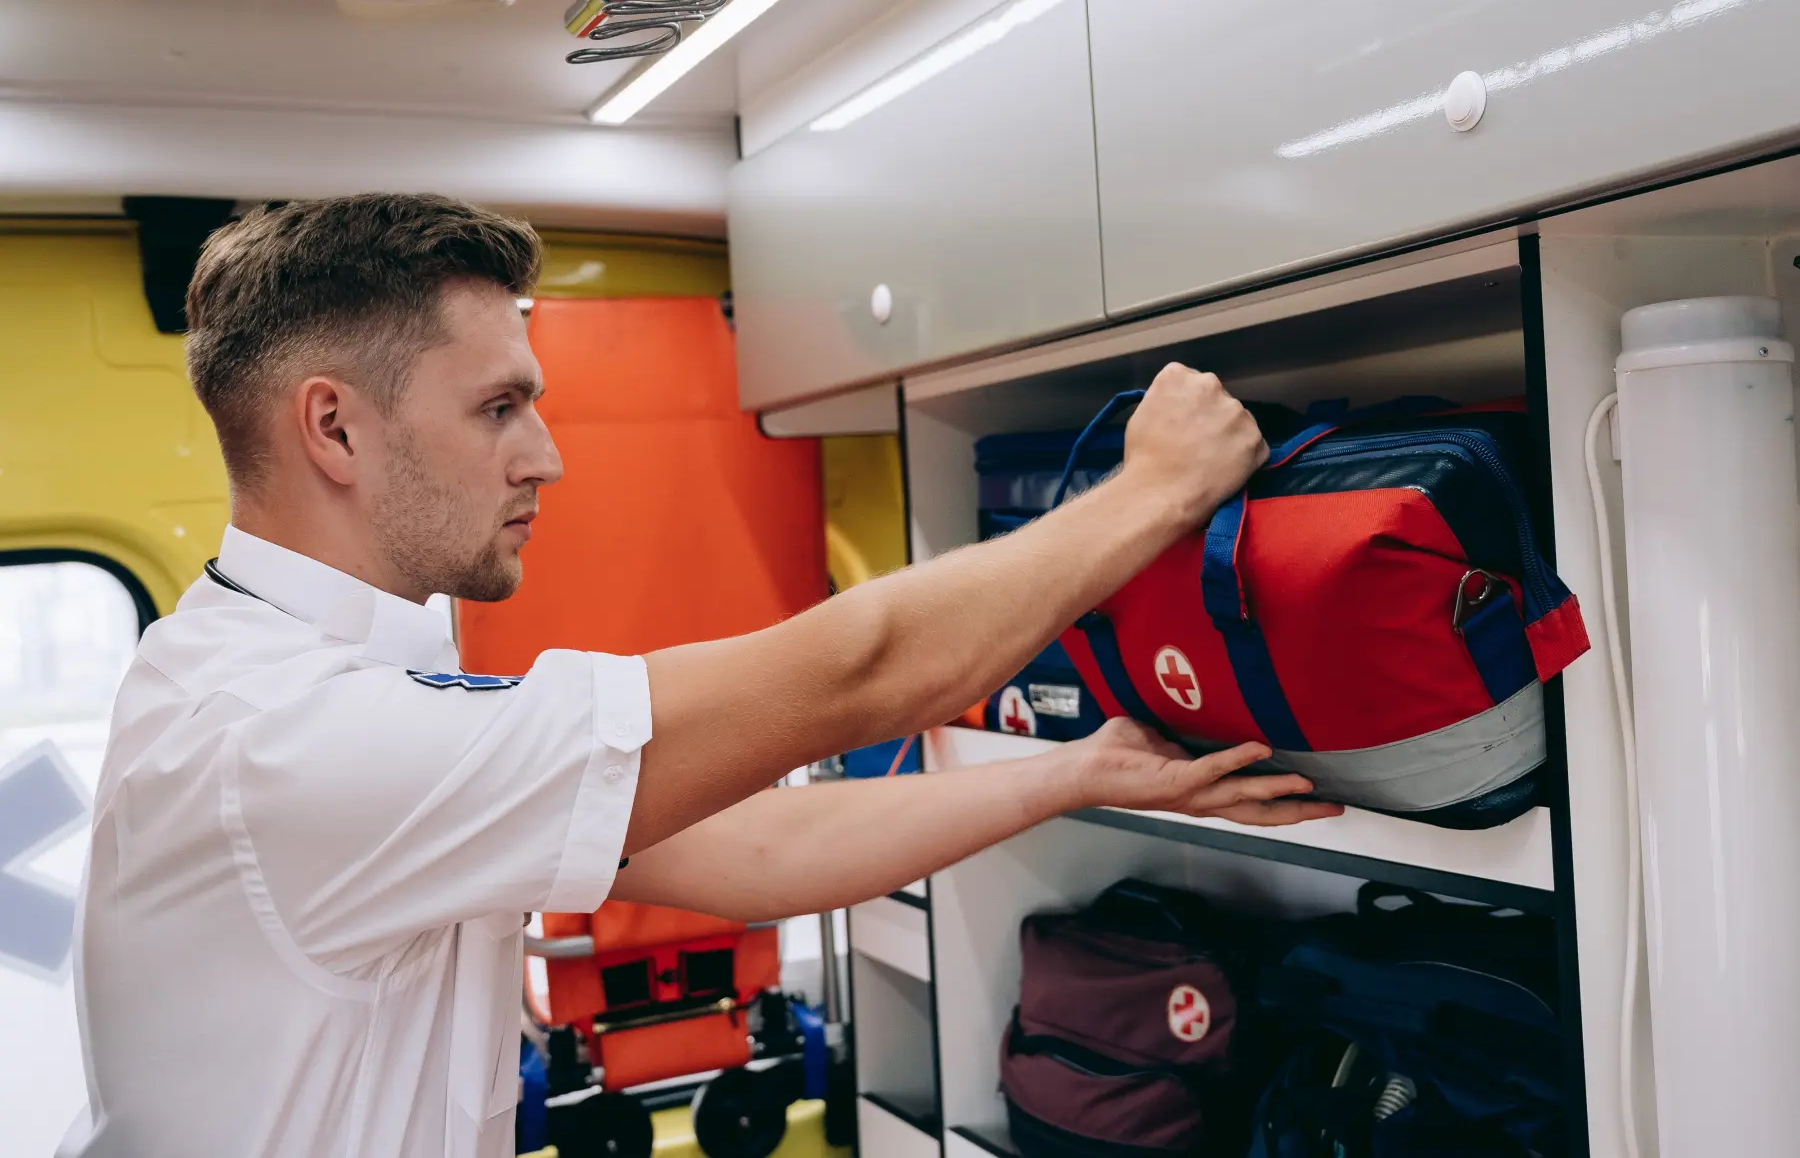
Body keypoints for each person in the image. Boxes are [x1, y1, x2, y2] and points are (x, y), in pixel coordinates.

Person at [65, 193, 1342, 1158]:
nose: (546, 457)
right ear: (334, 427)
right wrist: (1160, 488)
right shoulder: (288, 736)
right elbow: (862, 669)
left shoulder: (295, 666)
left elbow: (743, 848)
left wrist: (1076, 775)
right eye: (499, 408)